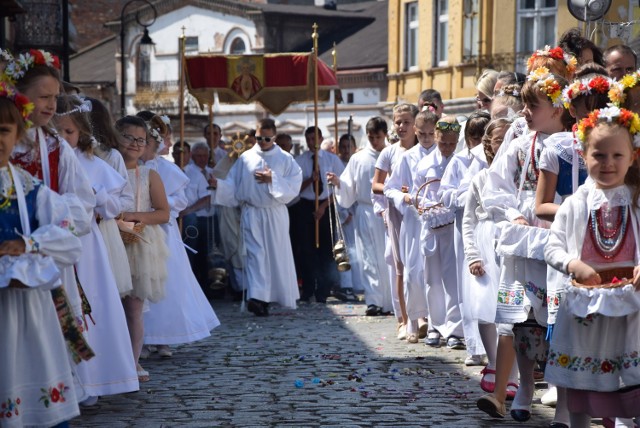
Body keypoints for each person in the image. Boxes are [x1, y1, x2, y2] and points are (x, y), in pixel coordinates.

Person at [477, 67, 569, 421]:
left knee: (559, 318)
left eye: (533, 105)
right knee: (517, 317)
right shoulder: (518, 144)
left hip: (559, 240)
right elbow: (495, 186)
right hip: (524, 241)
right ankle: (515, 389)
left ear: (558, 109)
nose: (525, 112)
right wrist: (512, 214)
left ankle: (560, 395)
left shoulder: (574, 144)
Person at [544, 106, 640, 428]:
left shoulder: (637, 202)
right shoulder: (575, 204)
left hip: (631, 308)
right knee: (580, 387)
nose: (608, 163)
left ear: (632, 157)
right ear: (584, 155)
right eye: (599, 155)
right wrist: (573, 263)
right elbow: (552, 245)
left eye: (617, 155)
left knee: (631, 382)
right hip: (586, 309)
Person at [0, 81, 83, 428]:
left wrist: (30, 244)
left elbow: (69, 240)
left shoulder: (32, 190)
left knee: (31, 383)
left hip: (28, 308)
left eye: (3, 130)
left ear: (18, 134)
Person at [6, 48, 96, 364]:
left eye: (55, 97)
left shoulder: (56, 146)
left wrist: (50, 225)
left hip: (46, 255)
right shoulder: (7, 143)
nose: (52, 104)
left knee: (48, 343)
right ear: (18, 95)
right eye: (43, 97)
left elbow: (83, 204)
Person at [54, 94, 139, 404]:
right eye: (58, 131)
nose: (63, 138)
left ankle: (94, 380)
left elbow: (119, 201)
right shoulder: (49, 159)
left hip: (87, 244)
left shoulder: (92, 162)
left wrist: (99, 197)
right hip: (58, 242)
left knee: (91, 305)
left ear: (81, 132)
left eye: (69, 132)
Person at [138, 114, 219, 358]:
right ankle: (141, 338)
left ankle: (165, 338)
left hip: (163, 229)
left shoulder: (167, 168)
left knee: (167, 282)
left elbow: (181, 201)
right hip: (138, 229)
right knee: (142, 281)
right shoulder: (131, 165)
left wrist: (159, 203)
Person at [210, 118, 302, 316]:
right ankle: (257, 297)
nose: (262, 142)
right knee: (255, 255)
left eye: (267, 139)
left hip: (275, 212)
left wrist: (273, 180)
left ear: (274, 137)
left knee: (275, 256)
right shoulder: (245, 158)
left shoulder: (285, 158)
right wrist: (219, 185)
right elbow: (234, 185)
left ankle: (274, 296)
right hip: (252, 212)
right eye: (259, 138)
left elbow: (294, 186)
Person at [115, 115, 170, 382]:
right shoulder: (106, 168)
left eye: (141, 140)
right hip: (111, 241)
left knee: (134, 308)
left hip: (139, 245)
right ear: (116, 137)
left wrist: (135, 216)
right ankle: (112, 359)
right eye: (129, 138)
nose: (135, 144)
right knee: (110, 304)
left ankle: (133, 362)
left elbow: (163, 213)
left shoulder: (150, 175)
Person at [462, 117, 512, 395]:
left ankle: (512, 372)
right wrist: (473, 255)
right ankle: (493, 361)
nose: (504, 144)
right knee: (485, 306)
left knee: (511, 309)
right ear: (488, 145)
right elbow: (468, 220)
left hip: (510, 242)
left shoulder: (517, 176)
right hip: (486, 243)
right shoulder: (480, 178)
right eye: (498, 139)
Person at [439, 110, 491, 363]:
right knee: (468, 284)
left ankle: (493, 344)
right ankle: (474, 345)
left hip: (490, 226)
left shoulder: (498, 160)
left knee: (491, 282)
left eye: (483, 136)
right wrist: (464, 195)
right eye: (474, 137)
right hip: (466, 226)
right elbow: (444, 194)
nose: (478, 143)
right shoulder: (459, 161)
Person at [327, 119, 393, 315]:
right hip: (365, 211)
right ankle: (374, 301)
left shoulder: (393, 154)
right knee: (368, 257)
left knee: (388, 257)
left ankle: (390, 302)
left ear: (385, 135)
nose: (374, 141)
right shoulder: (359, 158)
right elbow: (349, 186)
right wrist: (339, 182)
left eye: (378, 137)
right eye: (371, 137)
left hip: (389, 212)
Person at [385, 109, 439, 341]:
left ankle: (436, 321)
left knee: (434, 272)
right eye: (423, 134)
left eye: (430, 134)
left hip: (437, 219)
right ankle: (413, 321)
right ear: (415, 132)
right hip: (413, 220)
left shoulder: (443, 153)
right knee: (412, 272)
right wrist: (404, 198)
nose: (427, 138)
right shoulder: (408, 157)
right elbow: (390, 187)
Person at [412, 115, 463, 349]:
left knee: (452, 279)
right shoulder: (424, 165)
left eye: (452, 144)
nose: (447, 148)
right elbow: (416, 195)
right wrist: (424, 205)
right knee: (432, 280)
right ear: (436, 137)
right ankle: (435, 325)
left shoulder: (461, 162)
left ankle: (455, 328)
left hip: (452, 227)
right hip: (432, 226)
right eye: (443, 143)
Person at [372, 103, 418, 332]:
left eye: (406, 122)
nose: (401, 126)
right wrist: (396, 191)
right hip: (396, 211)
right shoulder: (389, 152)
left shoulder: (424, 147)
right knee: (399, 264)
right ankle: (403, 318)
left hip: (420, 212)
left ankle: (423, 315)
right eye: (398, 122)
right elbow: (376, 184)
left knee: (420, 264)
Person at [85, 96, 135, 299]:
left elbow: (126, 199)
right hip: (80, 227)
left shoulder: (112, 156)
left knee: (104, 294)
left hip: (104, 228)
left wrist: (104, 202)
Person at [294, 126, 344, 304]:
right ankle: (308, 288)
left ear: (321, 138)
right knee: (306, 249)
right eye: (308, 139)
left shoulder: (332, 160)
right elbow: (294, 190)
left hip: (326, 204)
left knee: (326, 249)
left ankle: (324, 289)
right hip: (306, 206)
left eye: (314, 139)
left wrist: (323, 206)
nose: (311, 143)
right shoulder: (300, 161)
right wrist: (310, 180)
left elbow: (341, 186)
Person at [182, 141, 215, 292]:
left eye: (205, 155)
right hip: (195, 219)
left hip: (211, 217)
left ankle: (211, 285)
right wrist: (190, 210)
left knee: (209, 254)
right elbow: (205, 197)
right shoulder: (188, 171)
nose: (202, 159)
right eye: (198, 156)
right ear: (192, 156)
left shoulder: (211, 171)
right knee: (195, 253)